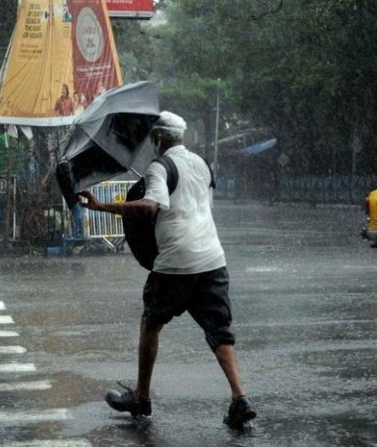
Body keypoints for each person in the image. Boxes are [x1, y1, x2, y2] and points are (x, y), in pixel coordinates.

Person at [78, 111, 257, 430]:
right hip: (212, 259)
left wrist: (102, 206)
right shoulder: (201, 163)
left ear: (158, 139)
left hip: (176, 262)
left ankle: (141, 396)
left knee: (151, 323)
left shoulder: (160, 167)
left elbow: (151, 206)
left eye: (153, 139)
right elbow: (196, 206)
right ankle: (239, 397)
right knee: (220, 332)